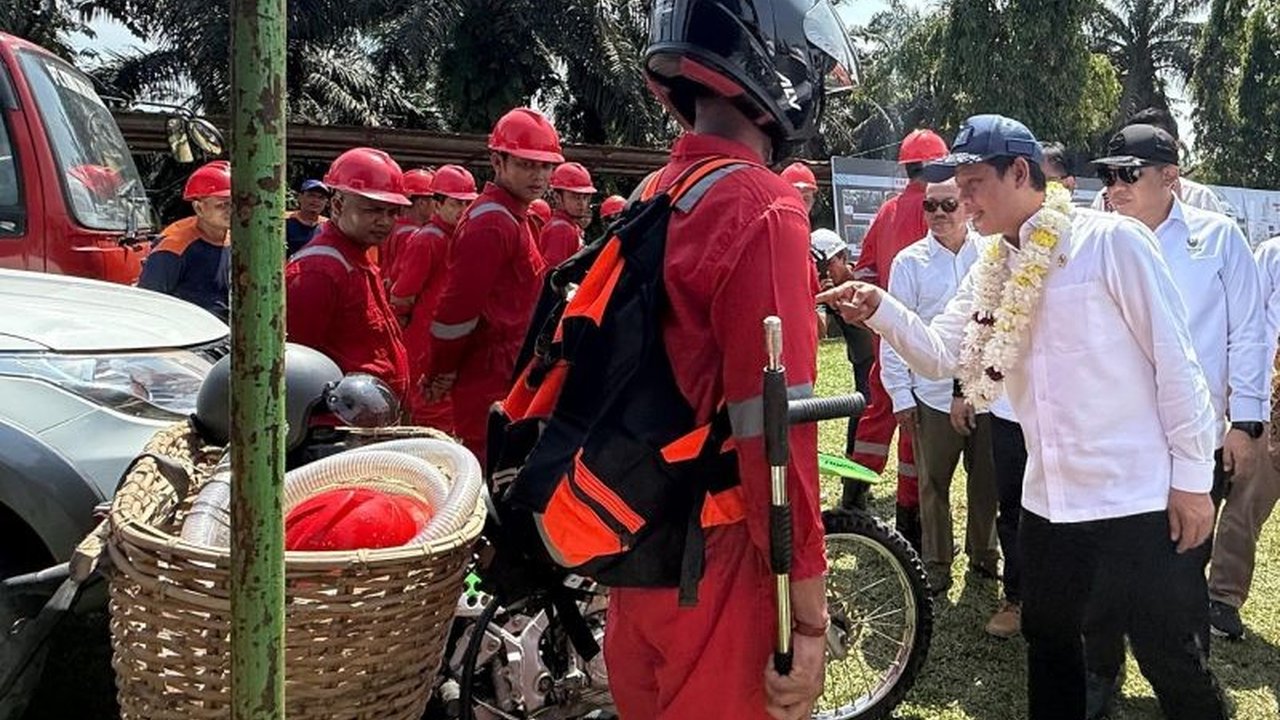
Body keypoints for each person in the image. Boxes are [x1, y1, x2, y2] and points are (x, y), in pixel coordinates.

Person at [820, 113, 1227, 720]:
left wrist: (1193, 483)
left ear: (1020, 172)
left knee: (1167, 654)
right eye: (956, 184)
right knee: (1051, 644)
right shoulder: (992, 266)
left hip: (1133, 499)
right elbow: (940, 354)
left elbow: (1178, 364)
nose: (961, 198)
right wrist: (880, 307)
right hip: (1049, 502)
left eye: (974, 181)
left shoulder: (1110, 242)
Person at [605, 2, 857, 718]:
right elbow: (776, 437)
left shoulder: (654, 195)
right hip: (718, 567)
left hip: (637, 555)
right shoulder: (766, 207)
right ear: (776, 61)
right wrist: (809, 616)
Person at [1084, 123, 1268, 715]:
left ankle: (1190, 678)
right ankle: (1101, 673)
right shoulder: (1096, 240)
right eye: (1106, 175)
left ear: (1170, 176)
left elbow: (1248, 334)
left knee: (1185, 567)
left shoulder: (1219, 239)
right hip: (1114, 435)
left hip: (1195, 439)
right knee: (1105, 565)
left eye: (1127, 174)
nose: (1113, 187)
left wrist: (1246, 422)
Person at [881, 179, 999, 594]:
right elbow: (895, 335)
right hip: (931, 394)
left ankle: (984, 555)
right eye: (930, 205)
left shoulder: (992, 253)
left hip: (986, 393)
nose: (938, 213)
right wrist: (899, 394)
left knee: (986, 481)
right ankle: (936, 560)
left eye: (948, 204)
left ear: (966, 206)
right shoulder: (908, 263)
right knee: (934, 484)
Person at [424, 108, 561, 460]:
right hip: (489, 375)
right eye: (527, 164)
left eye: (546, 166)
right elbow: (455, 313)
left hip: (510, 369)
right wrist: (443, 369)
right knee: (491, 474)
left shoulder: (513, 217)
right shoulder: (492, 223)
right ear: (497, 161)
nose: (539, 175)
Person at [849, 127, 949, 550]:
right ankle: (910, 521)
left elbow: (864, 272)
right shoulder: (948, 209)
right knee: (915, 433)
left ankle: (852, 503)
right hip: (928, 344)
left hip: (886, 335)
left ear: (906, 167)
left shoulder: (887, 212)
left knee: (876, 417)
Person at [285, 147, 411, 405]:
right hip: (336, 427)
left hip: (364, 417)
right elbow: (297, 366)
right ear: (338, 204)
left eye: (392, 212)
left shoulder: (358, 257)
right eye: (373, 210)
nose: (385, 221)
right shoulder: (318, 271)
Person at [1205, 233, 1280, 639]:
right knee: (1246, 503)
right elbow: (1247, 325)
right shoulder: (1272, 254)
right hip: (1271, 404)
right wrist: (1244, 401)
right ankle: (1223, 598)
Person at [389, 164, 480, 431]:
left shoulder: (457, 238)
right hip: (425, 340)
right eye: (456, 204)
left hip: (447, 336)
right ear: (436, 205)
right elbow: (402, 294)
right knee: (431, 408)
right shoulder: (428, 239)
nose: (463, 211)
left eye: (467, 204)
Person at [812, 228, 875, 509]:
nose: (824, 272)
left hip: (884, 362)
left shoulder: (864, 281)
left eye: (827, 265)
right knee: (861, 422)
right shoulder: (828, 291)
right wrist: (820, 298)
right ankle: (853, 492)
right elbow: (820, 332)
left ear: (842, 257)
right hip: (863, 366)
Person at [138, 160, 233, 321]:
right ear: (199, 208)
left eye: (234, 203)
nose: (231, 210)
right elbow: (148, 305)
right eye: (222, 205)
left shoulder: (235, 240)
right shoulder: (174, 248)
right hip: (188, 335)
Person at [1091, 107, 1225, 213]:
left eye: (1130, 173)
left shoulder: (1200, 199)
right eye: (1106, 175)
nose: (1118, 187)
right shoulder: (1104, 199)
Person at [383, 168, 436, 285]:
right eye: (434, 200)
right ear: (422, 203)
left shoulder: (392, 226)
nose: (437, 205)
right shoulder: (414, 235)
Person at [539, 162, 597, 266]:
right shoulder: (561, 229)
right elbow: (554, 277)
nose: (582, 203)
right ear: (557, 197)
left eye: (585, 197)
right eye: (575, 197)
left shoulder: (569, 226)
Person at [286, 178, 329, 257]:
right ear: (300, 197)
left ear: (326, 202)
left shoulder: (328, 227)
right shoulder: (285, 222)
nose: (316, 200)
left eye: (321, 197)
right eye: (311, 195)